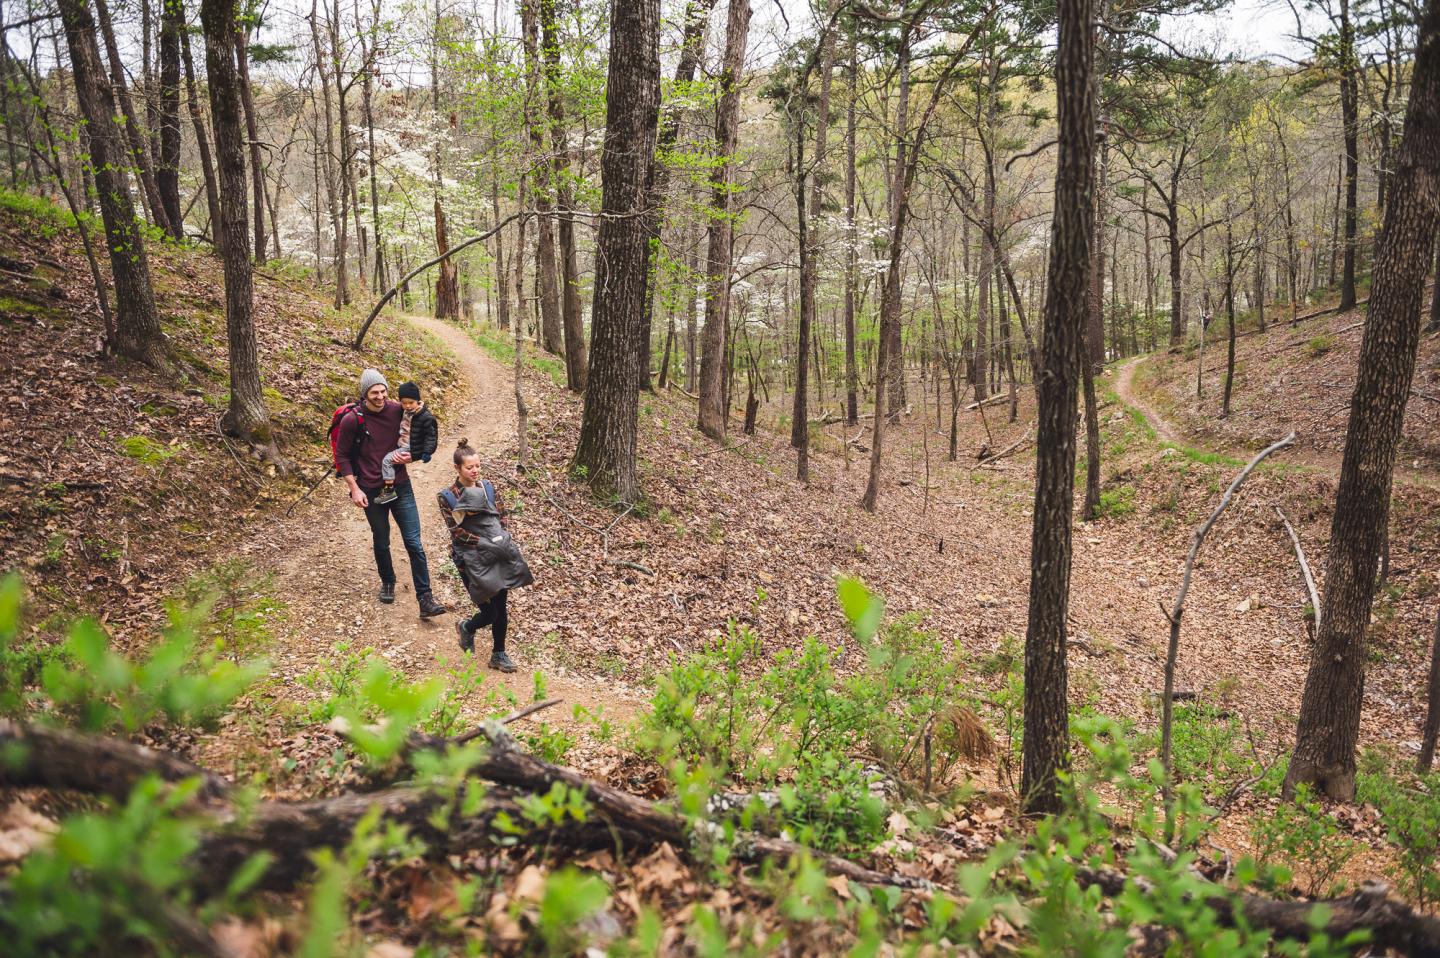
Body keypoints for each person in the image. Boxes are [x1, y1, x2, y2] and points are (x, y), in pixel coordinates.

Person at [336, 368, 447, 618]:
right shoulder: (352, 419)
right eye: (374, 392)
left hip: (400, 485)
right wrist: (354, 488)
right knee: (381, 538)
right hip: (371, 488)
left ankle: (425, 598)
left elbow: (421, 426)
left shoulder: (398, 409)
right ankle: (388, 581)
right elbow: (341, 455)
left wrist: (418, 455)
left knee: (413, 542)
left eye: (383, 391)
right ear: (365, 394)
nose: (380, 396)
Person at [440, 438, 534, 673]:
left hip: (497, 555)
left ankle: (498, 654)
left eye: (477, 466)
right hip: (470, 560)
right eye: (469, 467)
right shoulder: (448, 496)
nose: (474, 471)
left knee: (501, 607)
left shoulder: (488, 488)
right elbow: (457, 532)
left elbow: (501, 515)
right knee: (489, 612)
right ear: (457, 468)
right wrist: (483, 543)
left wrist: (500, 538)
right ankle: (467, 627)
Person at [375, 381, 438, 504]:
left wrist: (426, 452)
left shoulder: (425, 416)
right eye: (404, 403)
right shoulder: (406, 411)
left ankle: (389, 490)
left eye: (411, 403)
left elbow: (431, 436)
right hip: (403, 442)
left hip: (409, 446)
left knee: (387, 460)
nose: (408, 406)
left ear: (418, 401)